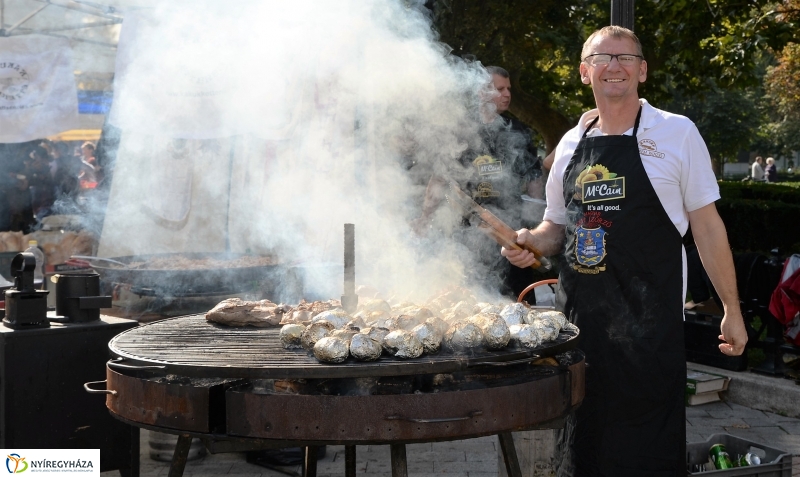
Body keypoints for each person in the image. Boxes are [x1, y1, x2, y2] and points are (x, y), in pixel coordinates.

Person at [500, 26, 747, 476]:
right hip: (579, 329)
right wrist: (532, 242)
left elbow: (708, 227)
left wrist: (731, 307)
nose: (613, 66)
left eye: (625, 57)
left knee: (646, 450)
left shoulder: (676, 133)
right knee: (583, 446)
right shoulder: (571, 143)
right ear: (583, 71)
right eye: (601, 58)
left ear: (642, 70)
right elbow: (558, 226)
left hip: (650, 328)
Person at [416, 66, 544, 299]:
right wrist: (425, 218)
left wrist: (537, 226)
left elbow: (534, 177)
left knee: (518, 301)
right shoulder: (459, 132)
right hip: (466, 232)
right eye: (500, 89)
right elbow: (439, 179)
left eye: (509, 89)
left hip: (511, 234)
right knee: (467, 301)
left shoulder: (519, 131)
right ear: (481, 92)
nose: (507, 94)